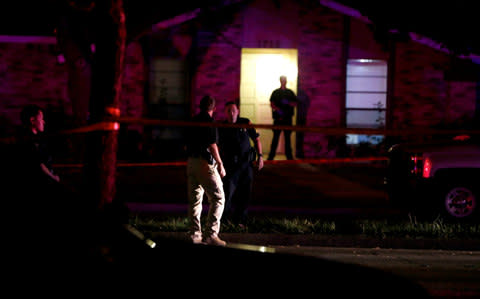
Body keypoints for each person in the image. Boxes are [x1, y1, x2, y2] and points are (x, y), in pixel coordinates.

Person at [184, 95, 227, 246]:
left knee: (195, 201)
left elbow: (185, 142)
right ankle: (211, 235)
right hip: (204, 163)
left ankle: (194, 235)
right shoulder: (210, 122)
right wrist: (220, 164)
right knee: (218, 198)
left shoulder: (192, 121)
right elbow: (212, 145)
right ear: (214, 109)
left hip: (191, 162)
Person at [218, 101, 264, 227]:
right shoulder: (221, 126)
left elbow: (256, 139)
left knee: (245, 194)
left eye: (233, 110)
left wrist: (260, 156)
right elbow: (215, 145)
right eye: (228, 110)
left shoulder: (245, 122)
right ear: (225, 113)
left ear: (238, 111)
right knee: (227, 193)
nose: (231, 113)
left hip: (245, 164)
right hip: (230, 165)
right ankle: (224, 221)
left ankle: (240, 221)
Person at [268, 75, 298, 160]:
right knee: (275, 138)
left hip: (288, 119)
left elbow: (295, 103)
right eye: (282, 80)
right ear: (280, 81)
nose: (283, 81)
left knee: (287, 139)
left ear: (286, 81)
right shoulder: (276, 92)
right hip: (278, 119)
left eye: (285, 80)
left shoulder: (290, 92)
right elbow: (272, 104)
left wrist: (288, 102)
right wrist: (278, 110)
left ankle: (289, 157)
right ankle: (271, 157)